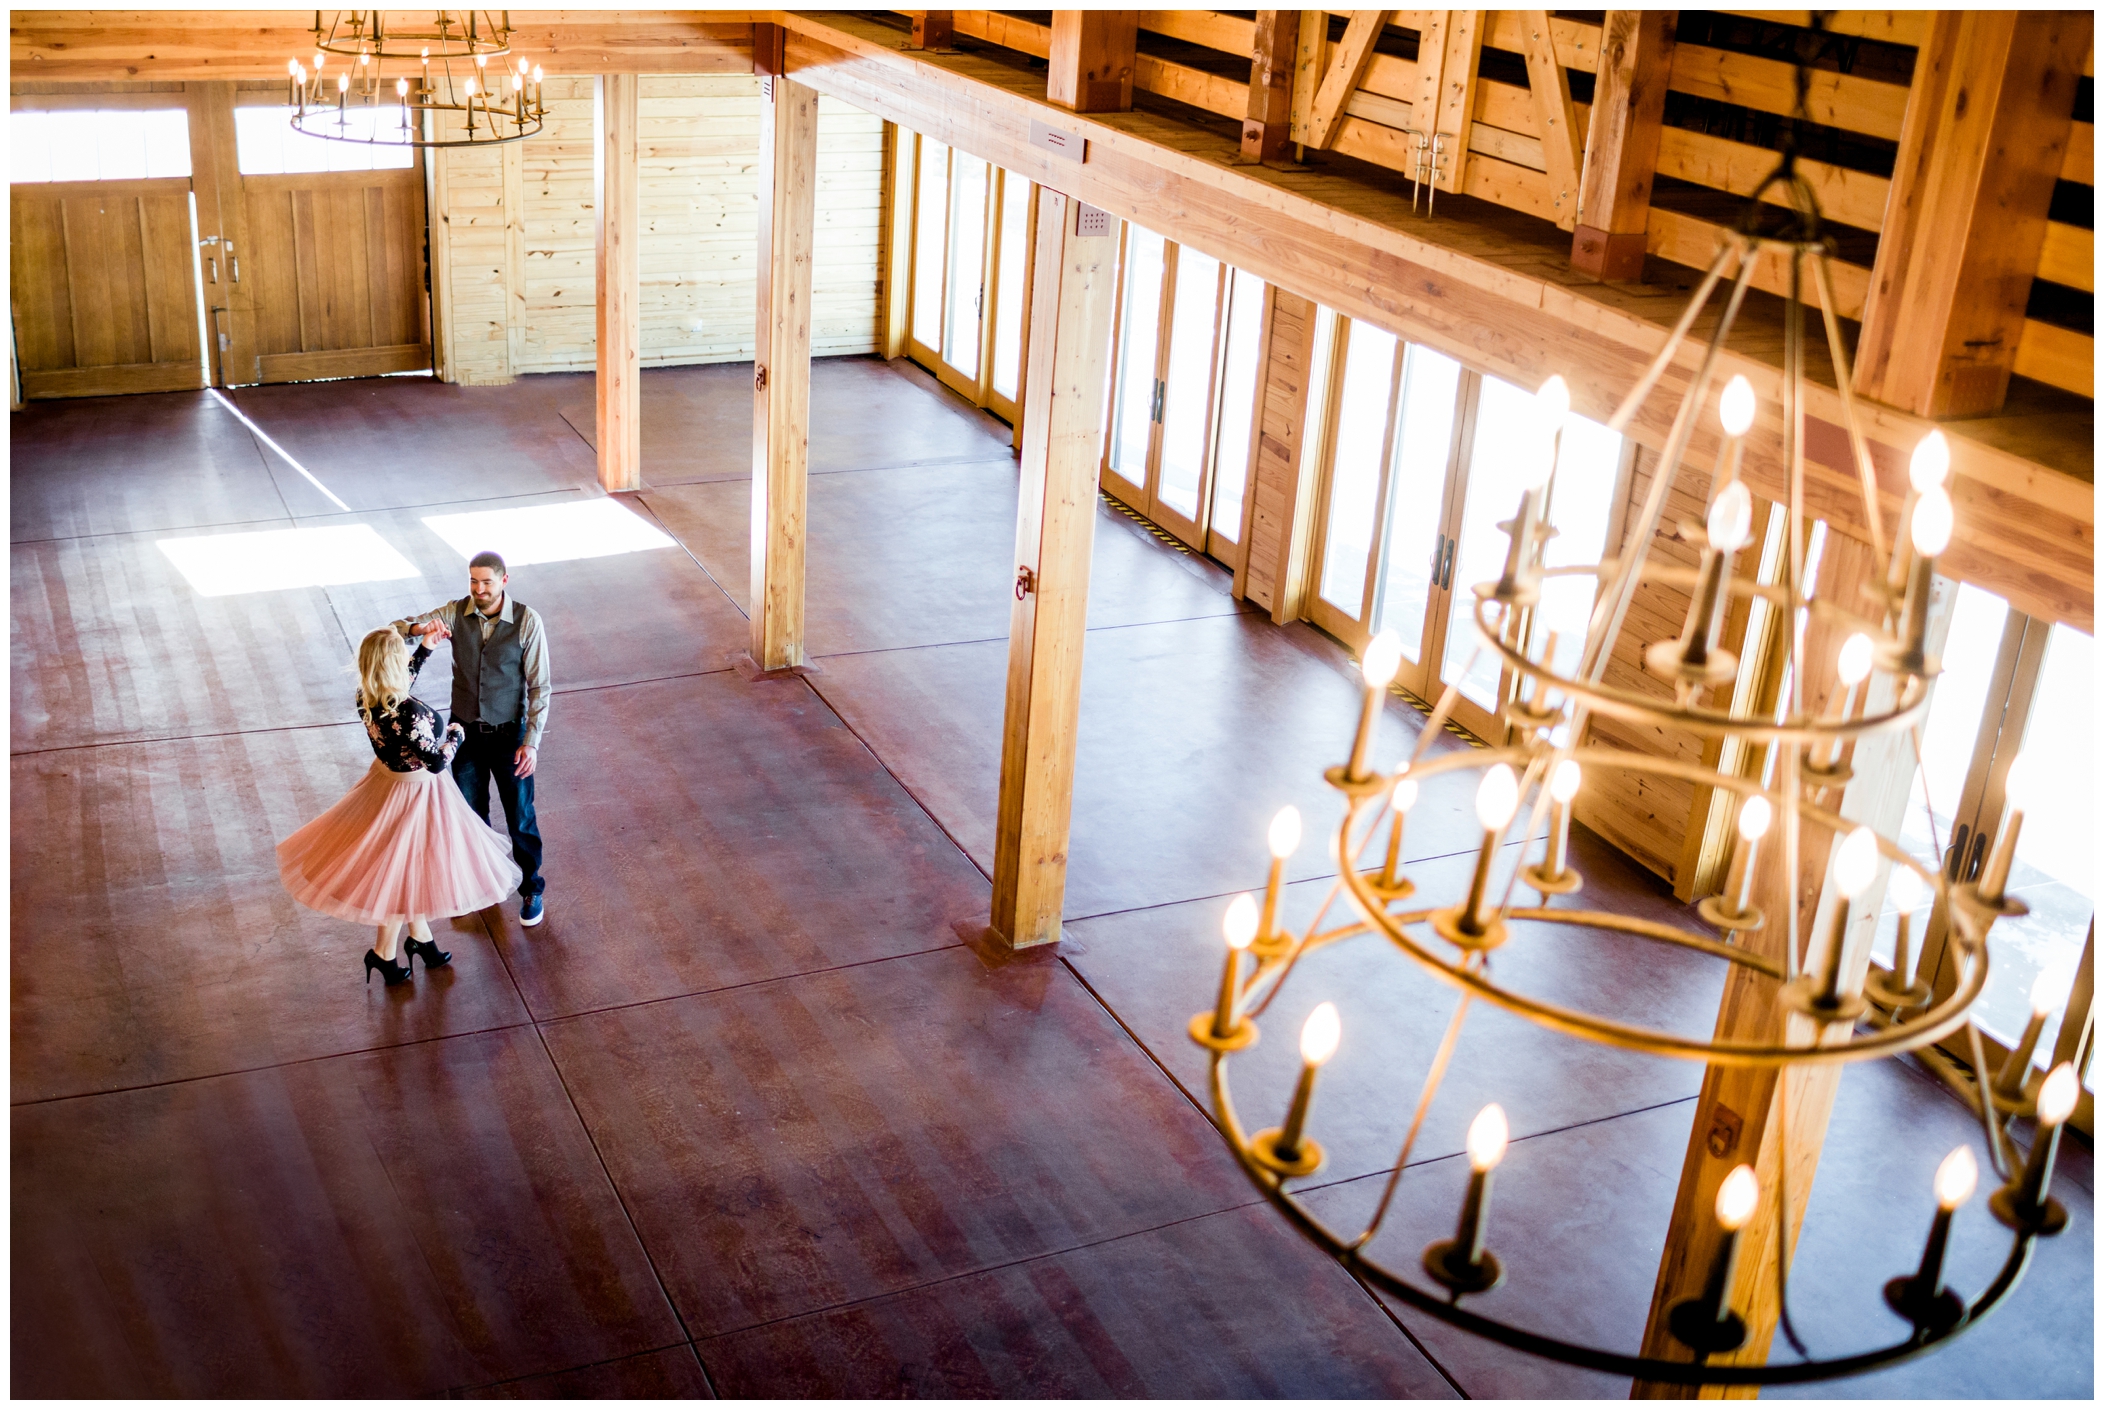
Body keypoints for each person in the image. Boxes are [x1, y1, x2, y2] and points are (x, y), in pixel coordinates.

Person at [278, 629, 523, 985]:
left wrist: (425, 649)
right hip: (416, 795)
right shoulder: (406, 712)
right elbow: (437, 762)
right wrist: (456, 732)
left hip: (389, 784)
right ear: (392, 664)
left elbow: (402, 681)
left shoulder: (368, 696)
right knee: (409, 867)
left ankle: (419, 940)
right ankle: (385, 953)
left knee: (411, 867)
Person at [393, 551, 552, 926]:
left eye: (487, 582)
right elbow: (395, 628)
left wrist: (531, 741)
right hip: (462, 733)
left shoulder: (527, 621)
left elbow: (540, 686)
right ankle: (483, 882)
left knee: (520, 815)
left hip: (509, 733)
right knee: (470, 813)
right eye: (473, 581)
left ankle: (531, 887)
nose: (479, 589)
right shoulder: (454, 611)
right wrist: (421, 630)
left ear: (504, 581)